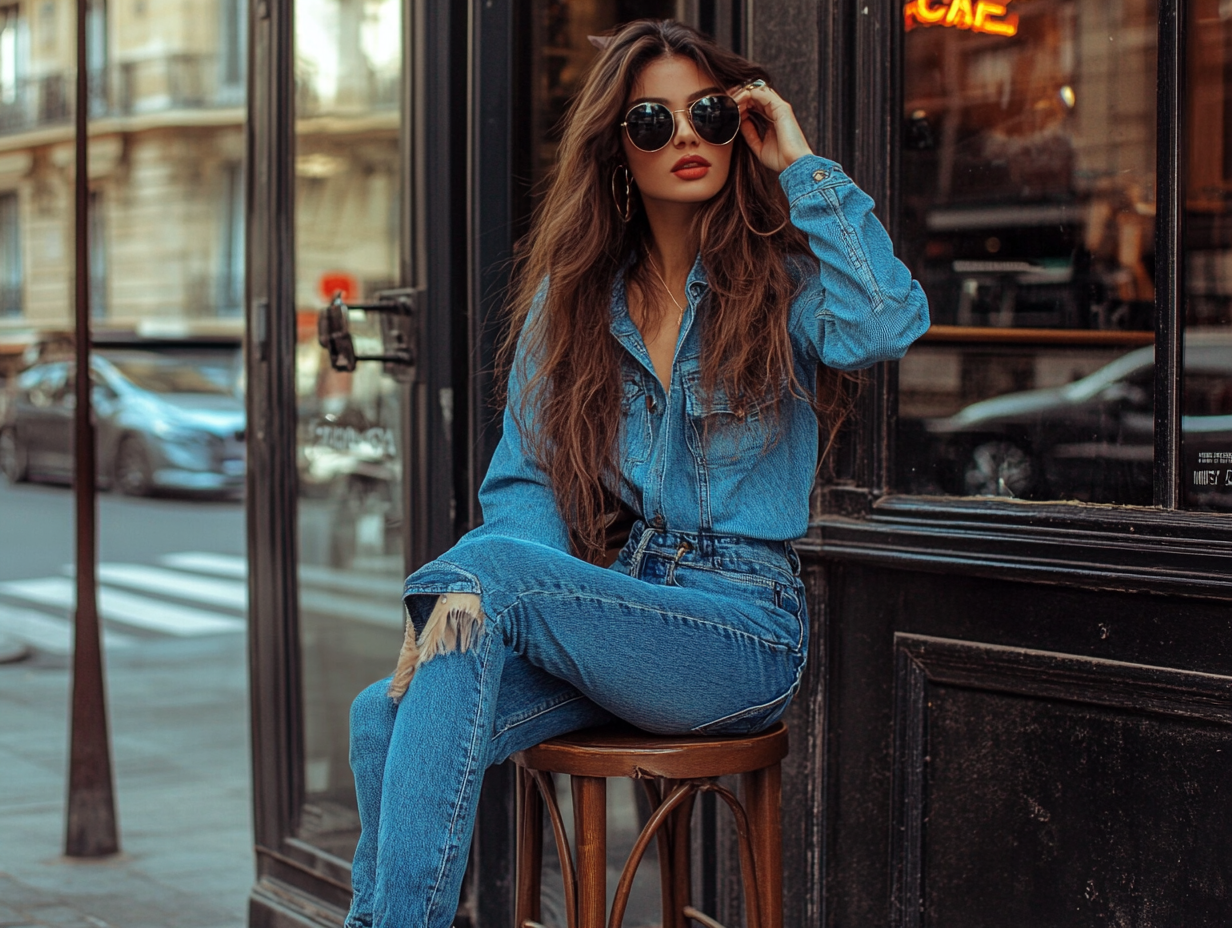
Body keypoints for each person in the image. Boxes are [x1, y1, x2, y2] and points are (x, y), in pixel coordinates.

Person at [345, 18, 928, 928]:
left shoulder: (784, 283)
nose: (686, 136)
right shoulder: (571, 304)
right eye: (653, 122)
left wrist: (801, 164)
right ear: (619, 150)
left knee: (476, 585)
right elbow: (526, 488)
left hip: (744, 632)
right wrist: (475, 596)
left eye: (707, 113)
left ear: (740, 124)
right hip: (625, 613)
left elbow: (890, 320)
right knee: (378, 714)